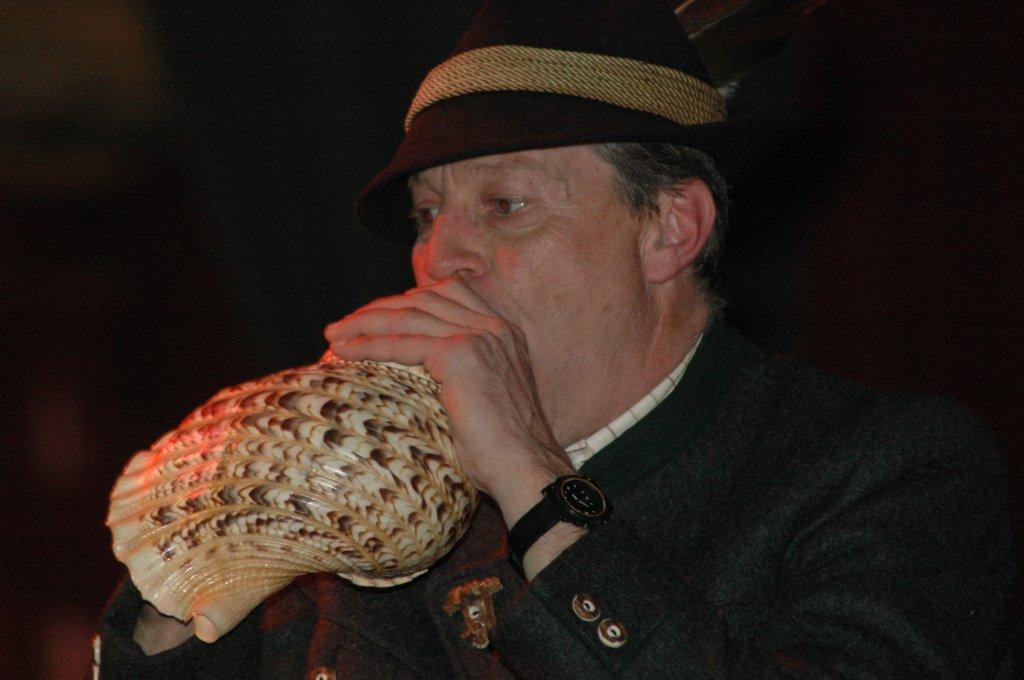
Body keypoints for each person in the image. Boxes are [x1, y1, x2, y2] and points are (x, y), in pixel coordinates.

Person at [96, 1, 1016, 677]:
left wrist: (532, 478)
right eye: (426, 216)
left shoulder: (886, 468)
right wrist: (193, 570)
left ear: (669, 230)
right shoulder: (394, 510)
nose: (440, 258)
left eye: (506, 204)